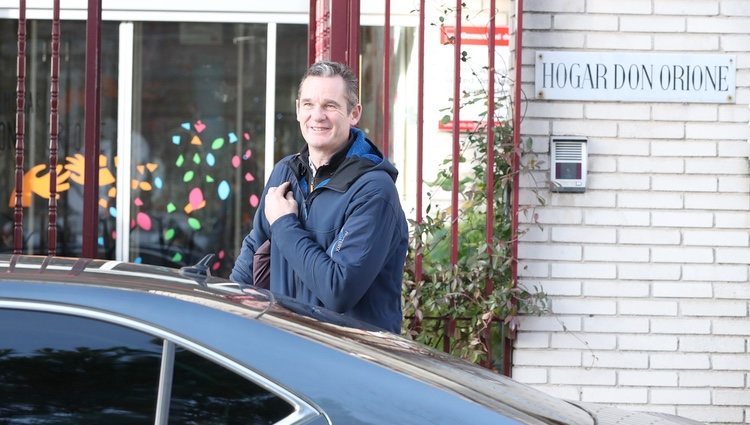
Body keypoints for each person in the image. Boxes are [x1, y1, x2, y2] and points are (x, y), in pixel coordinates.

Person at [230, 61, 408, 333]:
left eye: (330, 105)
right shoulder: (286, 172)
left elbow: (338, 290)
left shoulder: (373, 190)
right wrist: (226, 306)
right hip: (290, 347)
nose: (318, 115)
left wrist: (285, 224)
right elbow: (254, 249)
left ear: (354, 113)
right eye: (309, 104)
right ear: (298, 109)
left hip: (352, 360)